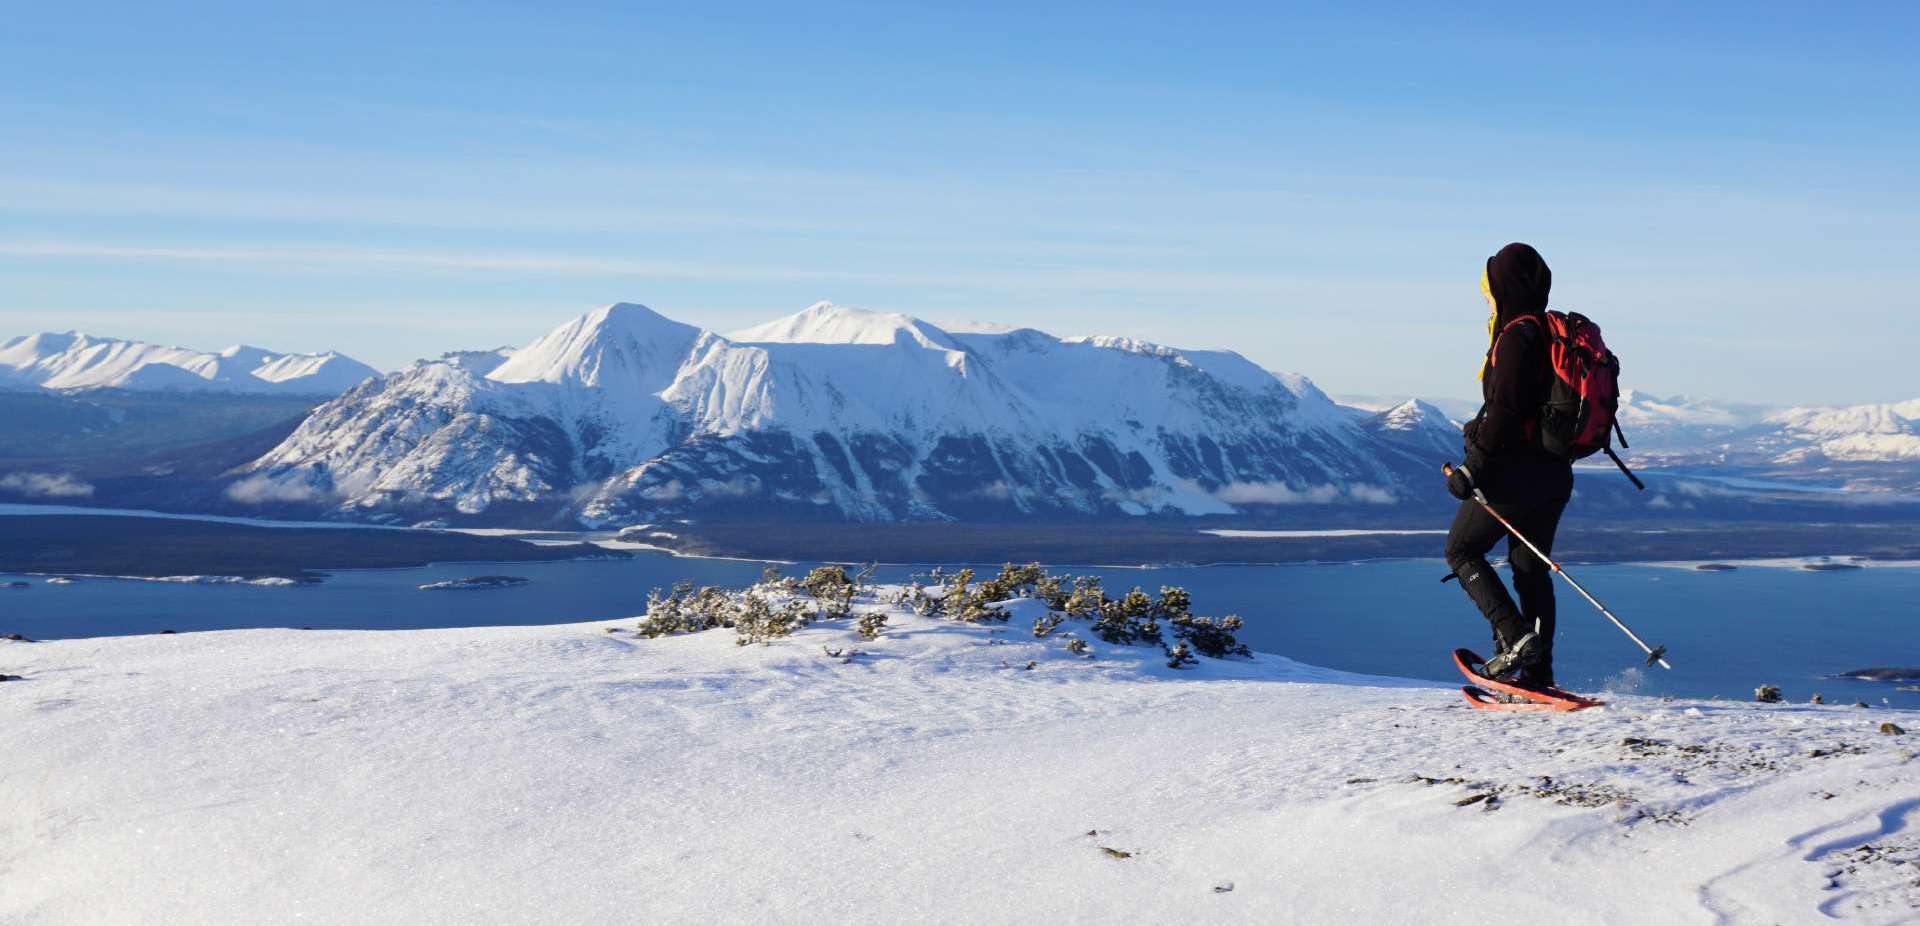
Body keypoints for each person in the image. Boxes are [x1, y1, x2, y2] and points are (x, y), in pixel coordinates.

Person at [1444, 242, 1573, 689]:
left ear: (1505, 287)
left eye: (1488, 290)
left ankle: (1518, 641)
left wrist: (1471, 470)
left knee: (1460, 549)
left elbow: (1505, 411)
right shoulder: (1550, 334)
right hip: (1554, 474)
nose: (1486, 299)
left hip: (1515, 474)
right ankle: (1538, 674)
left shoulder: (1517, 336)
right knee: (1530, 570)